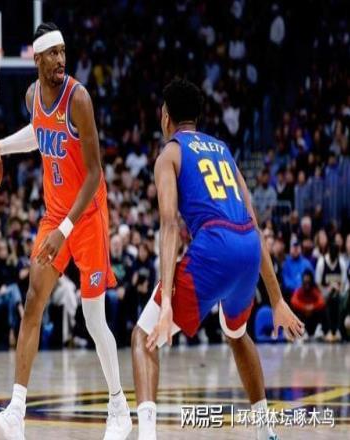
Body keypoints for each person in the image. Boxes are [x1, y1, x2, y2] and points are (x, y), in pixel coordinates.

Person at [130, 78, 304, 440]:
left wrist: (166, 302)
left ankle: (146, 436)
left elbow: (169, 225)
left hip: (215, 247)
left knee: (143, 336)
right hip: (247, 248)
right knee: (237, 334)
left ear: (166, 117)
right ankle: (265, 431)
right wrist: (276, 299)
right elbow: (253, 223)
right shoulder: (223, 149)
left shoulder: (170, 154)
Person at [0, 23, 131, 440]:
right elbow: (37, 132)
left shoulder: (78, 98)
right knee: (33, 301)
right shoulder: (33, 96)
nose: (61, 59)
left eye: (64, 52)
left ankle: (119, 407)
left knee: (94, 319)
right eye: (53, 53)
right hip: (55, 216)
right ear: (37, 59)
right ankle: (16, 411)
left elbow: (95, 172)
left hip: (87, 217)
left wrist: (65, 229)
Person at [290, 269, 327, 340]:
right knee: (293, 310)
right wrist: (304, 307)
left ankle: (320, 330)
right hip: (303, 318)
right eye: (305, 282)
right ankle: (301, 331)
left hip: (313, 318)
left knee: (323, 310)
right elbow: (293, 301)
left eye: (308, 282)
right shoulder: (299, 291)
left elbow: (322, 302)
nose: (307, 284)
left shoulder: (315, 291)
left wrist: (312, 307)